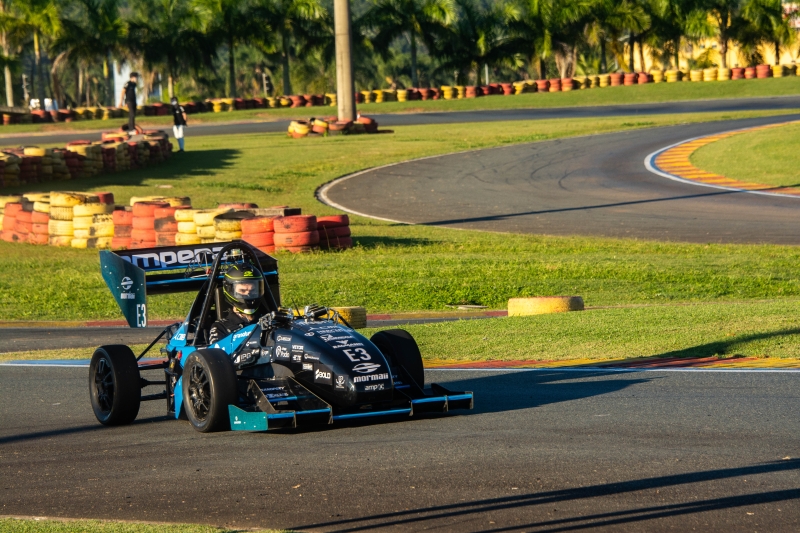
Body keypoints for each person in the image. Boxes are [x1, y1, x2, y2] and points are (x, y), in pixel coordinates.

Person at [208, 264, 265, 344]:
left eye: (252, 291)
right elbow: (216, 354)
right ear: (231, 291)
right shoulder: (221, 327)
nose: (248, 294)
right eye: (242, 291)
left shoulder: (267, 321)